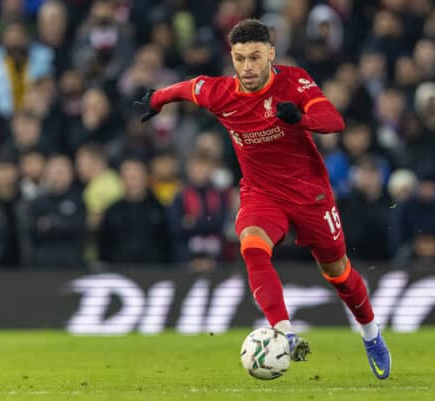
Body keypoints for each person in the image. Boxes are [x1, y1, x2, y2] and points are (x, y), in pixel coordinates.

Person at [134, 19, 391, 379]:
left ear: (271, 54)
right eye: (239, 58)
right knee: (252, 245)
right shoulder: (222, 93)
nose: (247, 67)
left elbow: (333, 120)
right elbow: (190, 88)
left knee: (338, 273)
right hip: (261, 193)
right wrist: (157, 99)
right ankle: (284, 333)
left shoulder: (294, 81)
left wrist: (300, 117)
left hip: (309, 195)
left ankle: (370, 333)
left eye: (255, 57)